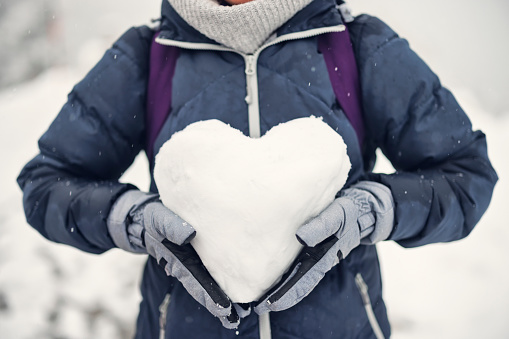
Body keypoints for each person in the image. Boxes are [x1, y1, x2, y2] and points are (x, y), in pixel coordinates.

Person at [17, 0, 498, 338]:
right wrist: (133, 219)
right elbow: (48, 182)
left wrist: (371, 211)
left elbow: (464, 175)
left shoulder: (359, 46)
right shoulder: (147, 57)